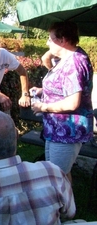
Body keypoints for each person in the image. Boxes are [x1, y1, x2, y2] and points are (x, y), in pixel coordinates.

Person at [30, 21, 94, 183]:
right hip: (57, 128)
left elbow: (72, 102)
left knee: (57, 177)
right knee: (60, 173)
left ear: (63, 40)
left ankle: (63, 207)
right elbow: (64, 88)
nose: (47, 42)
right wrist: (43, 91)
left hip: (68, 130)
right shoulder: (67, 58)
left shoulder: (74, 63)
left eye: (50, 39)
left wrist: (43, 106)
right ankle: (66, 206)